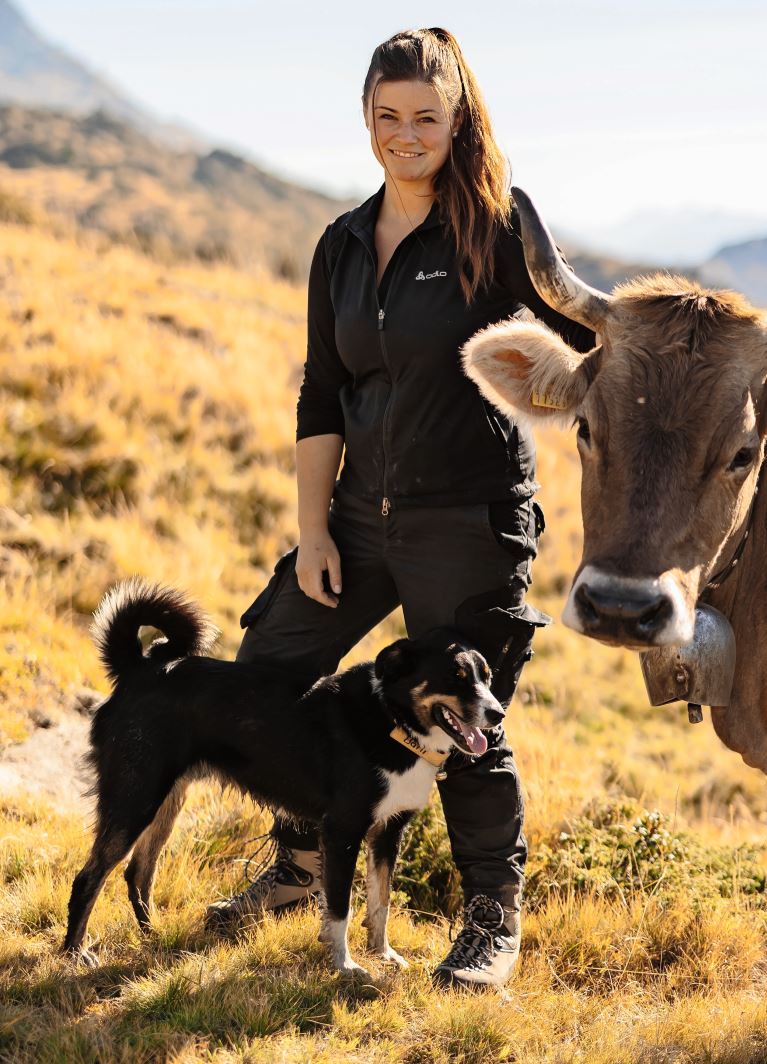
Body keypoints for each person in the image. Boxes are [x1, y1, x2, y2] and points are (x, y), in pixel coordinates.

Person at [202, 27, 593, 990]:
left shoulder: (498, 234)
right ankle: (301, 864)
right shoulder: (341, 244)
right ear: (367, 120)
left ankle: (490, 921)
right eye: (389, 116)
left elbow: (586, 353)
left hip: (470, 523)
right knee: (273, 665)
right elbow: (321, 393)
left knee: (469, 724)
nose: (406, 134)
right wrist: (311, 530)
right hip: (359, 520)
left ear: (457, 120)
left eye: (426, 116)